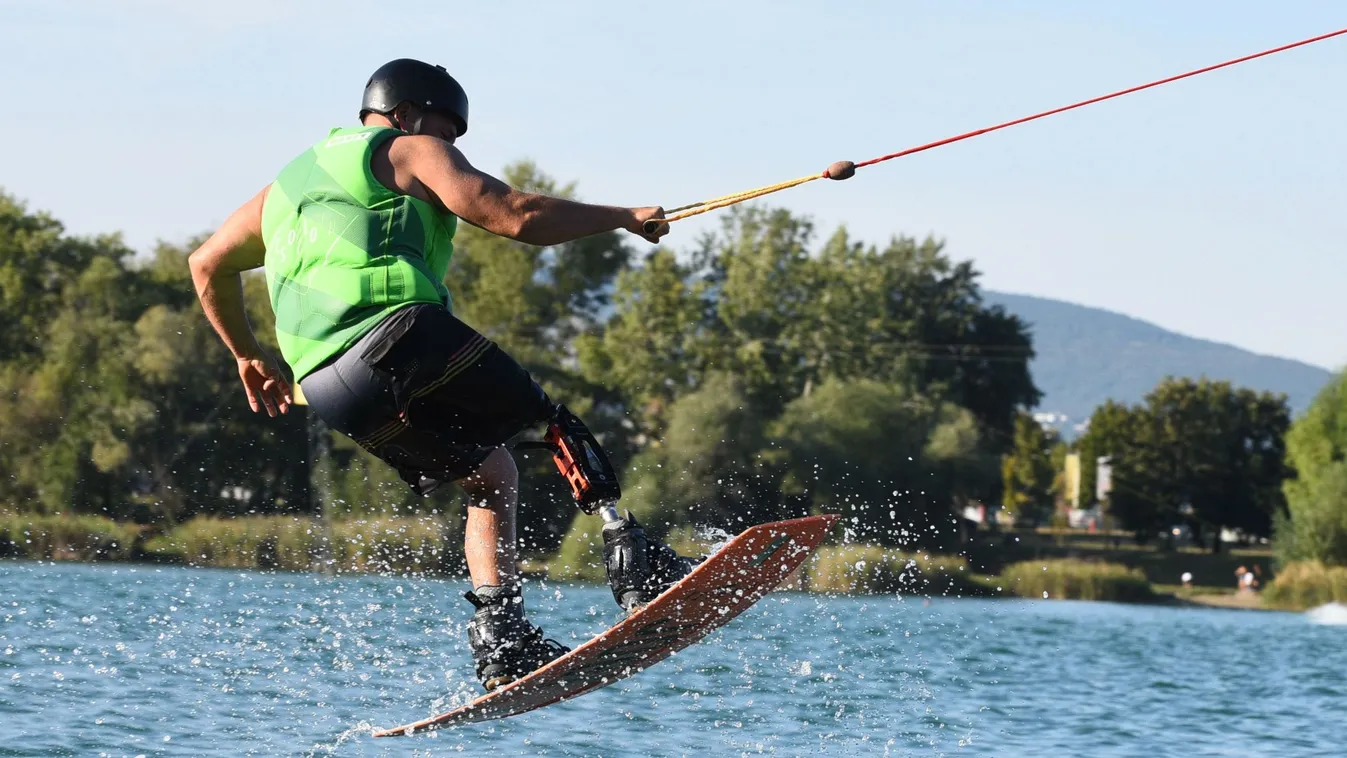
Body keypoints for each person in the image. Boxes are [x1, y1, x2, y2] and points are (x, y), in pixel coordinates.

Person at [188, 58, 696, 691]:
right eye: (446, 133)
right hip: (398, 337)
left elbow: (206, 264)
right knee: (547, 422)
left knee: (491, 473)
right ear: (406, 115)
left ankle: (501, 639)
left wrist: (246, 354)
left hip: (326, 385)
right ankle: (636, 563)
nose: (449, 149)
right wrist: (621, 215)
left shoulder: (284, 190)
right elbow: (513, 214)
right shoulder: (405, 148)